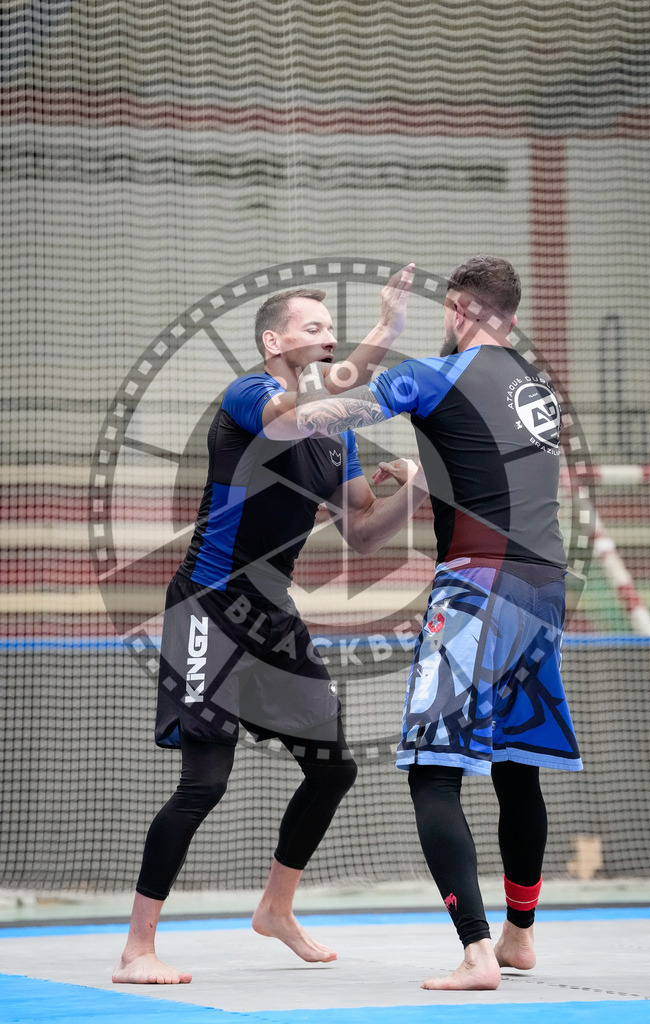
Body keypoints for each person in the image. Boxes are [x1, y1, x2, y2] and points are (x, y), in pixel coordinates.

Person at [113, 265, 427, 985]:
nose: (325, 337)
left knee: (333, 768)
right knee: (204, 783)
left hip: (272, 617)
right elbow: (294, 416)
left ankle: (275, 909)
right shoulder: (250, 395)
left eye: (330, 328)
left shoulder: (336, 437)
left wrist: (414, 489)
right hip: (209, 604)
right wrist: (385, 334)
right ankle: (136, 949)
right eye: (311, 327)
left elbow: (364, 536)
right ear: (272, 339)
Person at [295, 254, 583, 991]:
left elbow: (318, 411)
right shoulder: (533, 384)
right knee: (517, 766)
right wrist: (424, 476)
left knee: (432, 772)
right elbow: (485, 464)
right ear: (509, 313)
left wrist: (379, 332)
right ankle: (518, 936)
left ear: (456, 309)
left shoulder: (435, 373)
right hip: (542, 588)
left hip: (476, 590)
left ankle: (475, 952)